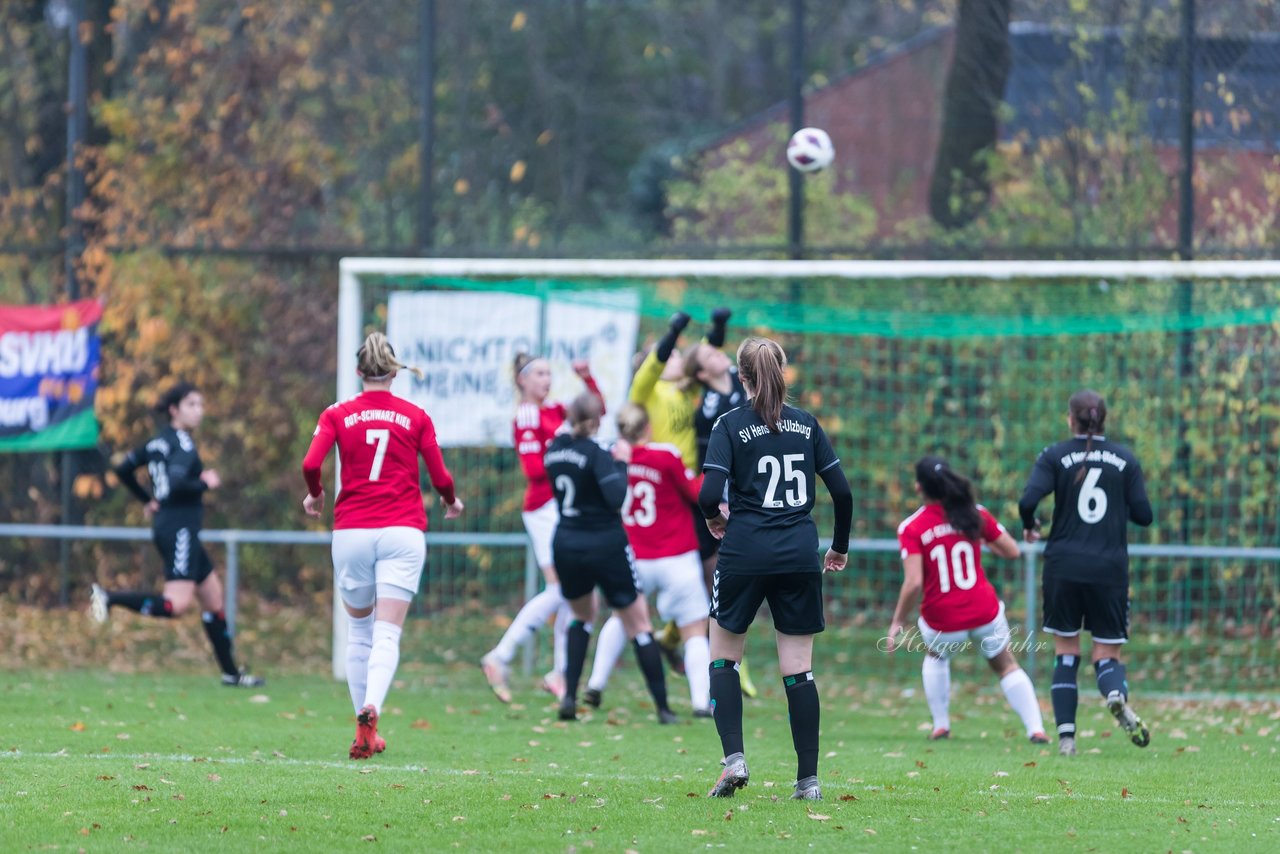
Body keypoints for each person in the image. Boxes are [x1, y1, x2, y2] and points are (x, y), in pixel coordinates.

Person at [699, 337, 852, 802]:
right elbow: (842, 494)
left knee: (724, 657)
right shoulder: (806, 424)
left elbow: (709, 495)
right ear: (782, 371)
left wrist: (715, 520)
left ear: (741, 377)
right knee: (799, 670)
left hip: (745, 553)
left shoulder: (729, 424)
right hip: (798, 555)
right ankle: (808, 781)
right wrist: (838, 548)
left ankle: (735, 761)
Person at [301, 332, 464, 759]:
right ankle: (372, 710)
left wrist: (315, 493)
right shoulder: (415, 415)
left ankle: (362, 724)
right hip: (402, 531)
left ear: (359, 372)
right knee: (387, 633)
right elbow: (441, 476)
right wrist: (451, 501)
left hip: (352, 531)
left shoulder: (337, 414)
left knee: (359, 631)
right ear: (394, 373)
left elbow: (310, 463)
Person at [91, 382, 263, 688]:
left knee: (213, 600)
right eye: (192, 405)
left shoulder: (158, 442)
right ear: (174, 410)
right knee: (176, 605)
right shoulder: (182, 444)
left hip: (175, 527)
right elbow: (176, 481)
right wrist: (204, 483)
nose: (199, 411)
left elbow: (123, 469)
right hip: (179, 529)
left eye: (201, 405)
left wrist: (148, 500)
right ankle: (109, 597)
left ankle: (231, 674)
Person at [1018, 389, 1153, 757]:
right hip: (1109, 568)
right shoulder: (1125, 459)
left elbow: (1028, 500)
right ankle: (1113, 693)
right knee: (1107, 654)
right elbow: (1144, 515)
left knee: (1065, 652)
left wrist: (1031, 524)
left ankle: (1066, 739)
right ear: (1103, 420)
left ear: (1070, 419)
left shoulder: (1055, 455)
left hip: (1063, 565)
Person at [633, 310, 758, 698]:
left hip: (698, 489)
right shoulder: (647, 391)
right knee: (711, 576)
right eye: (669, 356)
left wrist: (716, 328)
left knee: (713, 577)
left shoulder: (687, 392)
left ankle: (673, 637)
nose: (675, 358)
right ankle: (725, 663)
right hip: (677, 492)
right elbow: (661, 363)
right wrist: (672, 331)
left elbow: (707, 356)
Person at [889, 456, 1048, 744]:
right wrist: (982, 539)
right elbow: (1012, 551)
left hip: (943, 620)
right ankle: (1036, 729)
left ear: (918, 488)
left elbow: (913, 583)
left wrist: (898, 620)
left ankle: (941, 725)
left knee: (936, 656)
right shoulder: (974, 513)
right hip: (983, 611)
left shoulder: (911, 527)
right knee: (1006, 665)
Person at [544, 393, 675, 725]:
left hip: (566, 542)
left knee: (581, 616)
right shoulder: (598, 454)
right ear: (596, 421)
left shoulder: (554, 450)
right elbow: (616, 497)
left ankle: (570, 697)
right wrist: (621, 462)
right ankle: (663, 708)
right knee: (639, 623)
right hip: (605, 543)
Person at [480, 354, 603, 703]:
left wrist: (588, 378)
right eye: (539, 373)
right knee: (563, 588)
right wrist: (566, 454)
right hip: (543, 509)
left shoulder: (555, 410)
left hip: (562, 508)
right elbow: (534, 470)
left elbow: (596, 414)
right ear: (522, 380)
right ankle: (500, 656)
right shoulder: (527, 414)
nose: (546, 379)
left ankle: (560, 674)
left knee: (572, 591)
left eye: (549, 373)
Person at [582, 404, 712, 716]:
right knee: (694, 629)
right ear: (648, 428)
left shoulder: (611, 458)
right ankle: (699, 702)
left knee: (621, 618)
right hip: (676, 556)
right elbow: (695, 492)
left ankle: (595, 684)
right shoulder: (665, 455)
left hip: (634, 557)